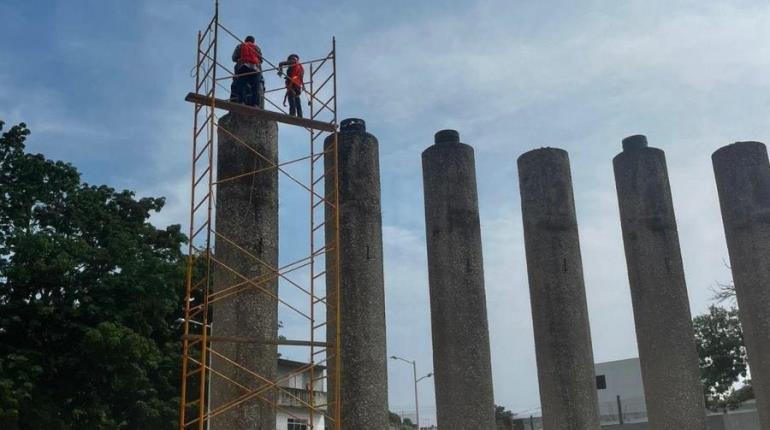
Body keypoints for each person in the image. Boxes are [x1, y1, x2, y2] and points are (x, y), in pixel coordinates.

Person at [231, 36, 262, 107]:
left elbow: (234, 58)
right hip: (255, 69)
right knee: (255, 87)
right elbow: (260, 60)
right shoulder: (257, 47)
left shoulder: (240, 46)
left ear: (245, 40)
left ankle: (242, 102)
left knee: (241, 85)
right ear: (253, 41)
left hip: (243, 67)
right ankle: (256, 104)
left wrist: (240, 59)